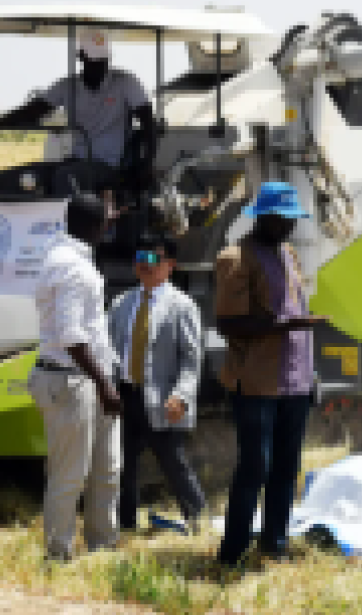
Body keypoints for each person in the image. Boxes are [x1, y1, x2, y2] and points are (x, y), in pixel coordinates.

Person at [213, 182, 327, 565]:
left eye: (292, 219)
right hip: (257, 383)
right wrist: (286, 325)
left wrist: (310, 374)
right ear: (261, 216)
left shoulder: (288, 254)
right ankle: (233, 552)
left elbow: (295, 313)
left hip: (294, 382)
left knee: (286, 467)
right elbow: (228, 324)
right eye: (281, 219)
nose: (288, 226)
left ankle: (275, 544)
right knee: (254, 467)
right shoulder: (236, 258)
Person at [29, 193, 123, 562]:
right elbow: (71, 337)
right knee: (70, 475)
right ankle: (58, 554)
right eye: (105, 222)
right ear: (95, 227)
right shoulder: (72, 267)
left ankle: (103, 546)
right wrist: (104, 384)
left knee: (108, 467)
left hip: (85, 378)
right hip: (73, 381)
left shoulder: (68, 255)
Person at [0, 28, 156, 198]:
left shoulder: (126, 82)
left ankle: (67, 226)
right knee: (18, 178)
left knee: (65, 178)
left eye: (102, 61)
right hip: (75, 160)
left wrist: (147, 165)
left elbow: (149, 123)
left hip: (109, 165)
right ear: (81, 58)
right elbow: (33, 111)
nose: (99, 66)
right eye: (93, 61)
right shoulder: (67, 86)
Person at [108, 235, 206, 534]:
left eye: (153, 259)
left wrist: (181, 395)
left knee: (173, 462)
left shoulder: (182, 306)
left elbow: (191, 359)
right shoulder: (121, 303)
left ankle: (197, 518)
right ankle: (125, 525)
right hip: (125, 395)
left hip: (162, 399)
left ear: (170, 265)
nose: (144, 265)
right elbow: (109, 349)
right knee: (121, 464)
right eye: (140, 257)